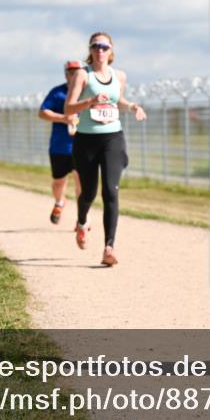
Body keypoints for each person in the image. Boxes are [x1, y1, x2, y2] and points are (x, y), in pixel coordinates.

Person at [64, 32, 146, 266]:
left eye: (104, 47)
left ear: (111, 51)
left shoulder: (119, 75)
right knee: (88, 192)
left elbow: (117, 100)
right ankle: (82, 222)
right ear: (90, 50)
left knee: (111, 191)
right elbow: (69, 108)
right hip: (87, 140)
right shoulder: (82, 74)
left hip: (113, 138)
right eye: (95, 46)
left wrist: (131, 106)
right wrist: (89, 102)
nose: (100, 50)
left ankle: (109, 248)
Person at [39, 60, 84, 225]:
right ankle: (59, 202)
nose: (74, 75)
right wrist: (63, 118)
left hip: (83, 146)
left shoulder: (87, 92)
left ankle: (82, 217)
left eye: (77, 71)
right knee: (59, 181)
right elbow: (43, 112)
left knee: (82, 182)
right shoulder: (58, 93)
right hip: (60, 146)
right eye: (71, 72)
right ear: (66, 74)